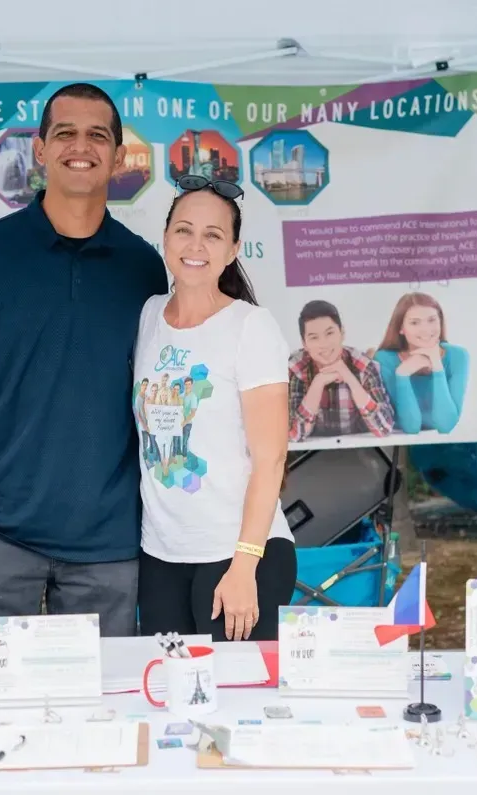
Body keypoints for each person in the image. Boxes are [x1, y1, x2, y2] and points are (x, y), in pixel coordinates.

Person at [0, 83, 168, 638]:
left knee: (106, 709)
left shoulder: (144, 269)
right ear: (41, 150)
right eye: (65, 133)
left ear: (120, 156)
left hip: (108, 540)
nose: (83, 146)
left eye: (98, 135)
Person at [133, 174, 296, 642]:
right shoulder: (148, 316)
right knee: (171, 700)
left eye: (213, 235)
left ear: (233, 250)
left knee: (237, 706)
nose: (195, 245)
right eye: (184, 229)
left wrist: (246, 563)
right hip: (161, 554)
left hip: (237, 554)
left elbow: (271, 460)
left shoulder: (250, 327)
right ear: (165, 239)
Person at [287, 300, 395, 441]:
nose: (323, 344)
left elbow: (384, 428)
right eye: (314, 338)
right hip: (307, 456)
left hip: (362, 452)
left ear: (342, 333)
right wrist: (318, 383)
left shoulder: (363, 364)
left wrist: (350, 378)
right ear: (304, 344)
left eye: (329, 333)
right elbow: (295, 434)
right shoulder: (296, 368)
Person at [374, 292, 469, 434]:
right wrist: (402, 374)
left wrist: (437, 365)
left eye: (432, 320)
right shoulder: (384, 359)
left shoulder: (458, 356)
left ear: (440, 322)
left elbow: (446, 425)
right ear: (401, 328)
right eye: (414, 322)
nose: (425, 329)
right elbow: (411, 427)